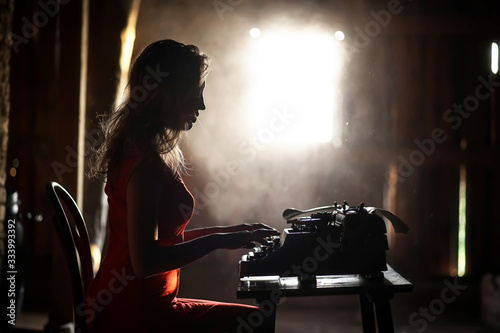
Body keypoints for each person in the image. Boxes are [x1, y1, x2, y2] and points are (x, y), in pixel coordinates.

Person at [87, 39, 278, 332]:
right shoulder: (145, 164)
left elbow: (164, 237)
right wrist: (217, 242)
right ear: (166, 94)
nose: (202, 104)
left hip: (136, 301)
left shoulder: (143, 150)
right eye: (195, 93)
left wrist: (231, 233)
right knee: (257, 321)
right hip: (135, 312)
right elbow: (145, 261)